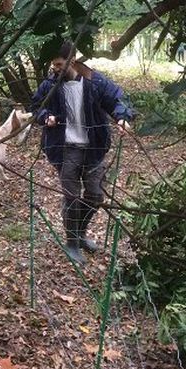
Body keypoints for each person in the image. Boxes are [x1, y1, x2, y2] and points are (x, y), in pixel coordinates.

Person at [30, 41, 133, 265]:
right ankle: (72, 242)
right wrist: (45, 116)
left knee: (95, 195)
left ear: (72, 60)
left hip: (93, 147)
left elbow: (116, 101)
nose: (55, 69)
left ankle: (80, 232)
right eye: (53, 64)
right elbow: (36, 106)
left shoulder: (93, 81)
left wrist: (122, 118)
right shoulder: (50, 85)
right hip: (65, 148)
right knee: (72, 197)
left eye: (58, 64)